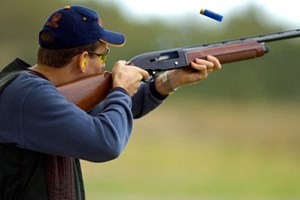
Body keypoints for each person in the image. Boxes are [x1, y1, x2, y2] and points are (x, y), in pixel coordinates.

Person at [0, 5, 221, 199]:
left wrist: (168, 81)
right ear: (84, 59)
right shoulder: (30, 95)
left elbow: (110, 109)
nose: (105, 64)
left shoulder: (30, 88)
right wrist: (121, 89)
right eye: (103, 55)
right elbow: (106, 142)